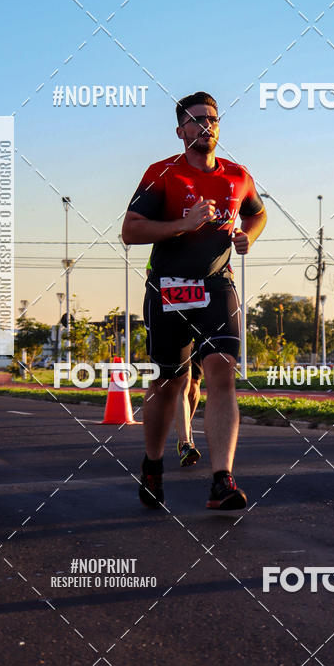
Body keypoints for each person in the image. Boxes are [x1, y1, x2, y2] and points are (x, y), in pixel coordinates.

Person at [122, 92, 267, 510]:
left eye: (213, 119)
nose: (207, 126)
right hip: (169, 285)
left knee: (221, 372)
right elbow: (130, 231)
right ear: (181, 130)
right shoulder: (161, 174)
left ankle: (222, 479)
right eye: (198, 120)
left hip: (217, 285)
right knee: (170, 383)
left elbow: (256, 214)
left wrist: (247, 237)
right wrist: (183, 225)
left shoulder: (237, 175)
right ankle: (152, 466)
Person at [175, 352, 202, 467]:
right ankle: (185, 442)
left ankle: (186, 425)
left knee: (194, 385)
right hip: (180, 337)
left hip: (198, 337)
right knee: (183, 383)